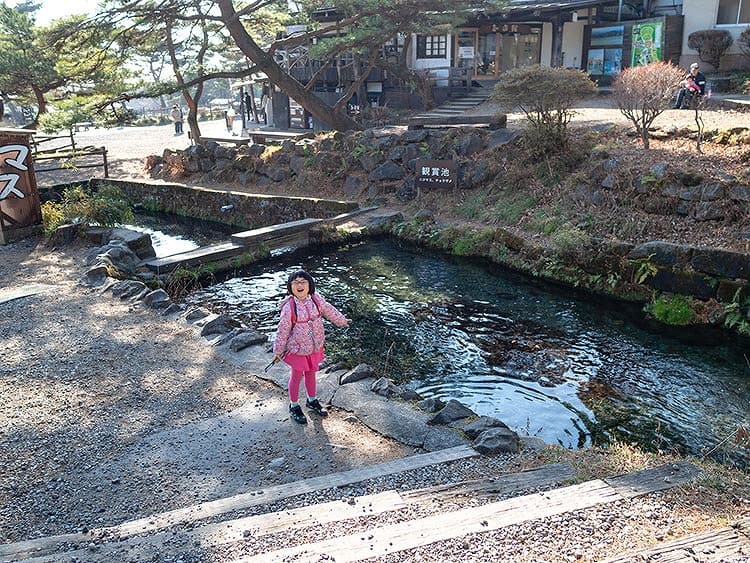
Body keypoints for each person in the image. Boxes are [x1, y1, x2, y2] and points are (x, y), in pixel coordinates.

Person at [272, 270, 349, 424]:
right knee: (296, 376)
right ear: (290, 286)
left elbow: (329, 309)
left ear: (309, 285)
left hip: (314, 347)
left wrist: (341, 320)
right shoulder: (289, 307)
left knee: (311, 373)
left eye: (303, 282)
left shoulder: (316, 300)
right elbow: (283, 329)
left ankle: (311, 400)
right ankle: (294, 405)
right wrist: (278, 350)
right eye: (295, 282)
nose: (299, 285)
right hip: (298, 349)